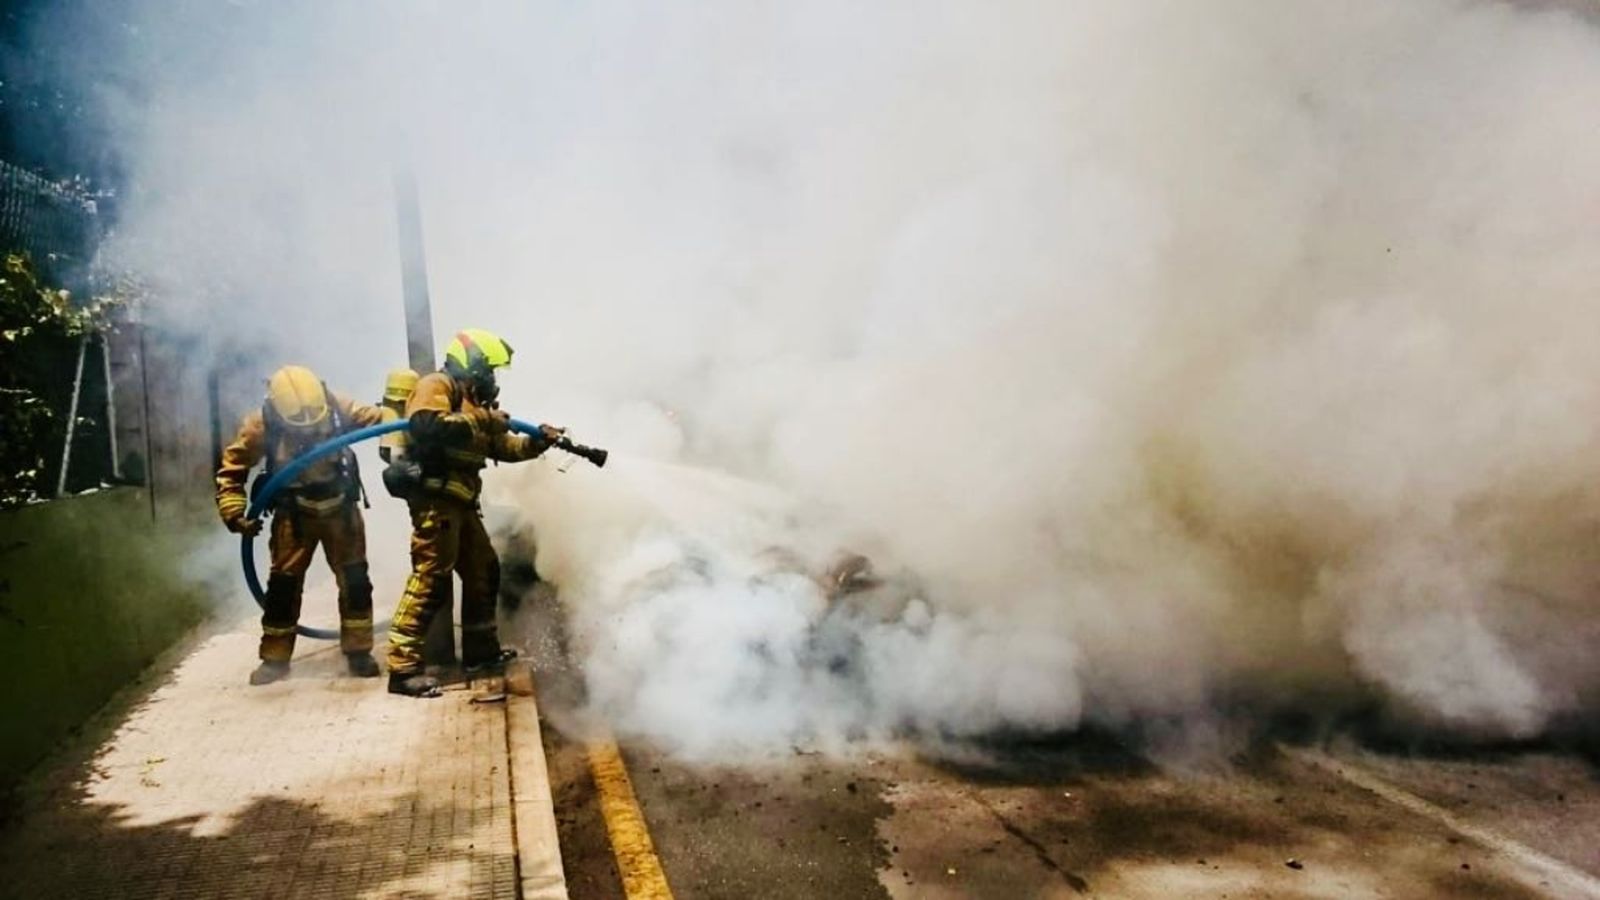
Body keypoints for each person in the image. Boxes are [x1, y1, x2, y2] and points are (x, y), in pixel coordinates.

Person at [385, 329, 563, 697]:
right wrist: (483, 419)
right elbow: (426, 425)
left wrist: (537, 443)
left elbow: (504, 447)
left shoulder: (473, 402)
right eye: (489, 368)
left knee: (484, 570)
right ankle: (402, 670)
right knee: (430, 578)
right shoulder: (438, 384)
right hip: (435, 501)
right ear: (472, 361)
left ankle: (481, 653)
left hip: (462, 502)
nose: (492, 377)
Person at [216, 364, 384, 685]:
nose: (309, 432)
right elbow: (231, 469)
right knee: (283, 586)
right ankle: (275, 659)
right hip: (294, 515)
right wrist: (235, 512)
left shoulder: (339, 406)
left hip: (341, 510)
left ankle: (359, 652)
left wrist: (404, 413)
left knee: (355, 581)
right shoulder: (260, 425)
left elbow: (380, 420)